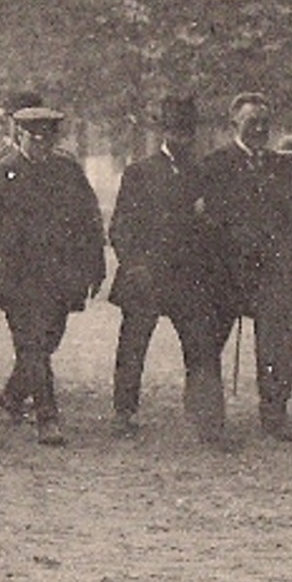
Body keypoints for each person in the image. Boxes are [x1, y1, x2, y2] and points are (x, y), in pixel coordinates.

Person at [106, 94, 234, 448]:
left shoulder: (202, 173)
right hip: (147, 274)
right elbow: (120, 228)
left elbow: (214, 227)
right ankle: (124, 412)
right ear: (164, 133)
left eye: (187, 133)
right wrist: (134, 265)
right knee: (133, 346)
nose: (181, 139)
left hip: (189, 279)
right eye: (175, 132)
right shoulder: (140, 173)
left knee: (202, 347)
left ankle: (207, 418)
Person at [0, 104, 105, 445]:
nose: (41, 145)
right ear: (19, 135)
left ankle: (13, 394)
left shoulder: (67, 170)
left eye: (47, 139)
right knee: (32, 344)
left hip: (60, 276)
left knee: (48, 341)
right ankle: (47, 417)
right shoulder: (0, 173)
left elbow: (89, 219)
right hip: (17, 277)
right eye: (34, 138)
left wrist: (95, 265)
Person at [196, 92, 292, 441]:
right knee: (207, 343)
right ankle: (208, 419)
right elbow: (205, 220)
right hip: (225, 270)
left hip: (268, 271)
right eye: (252, 122)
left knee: (276, 342)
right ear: (234, 124)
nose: (260, 129)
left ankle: (274, 414)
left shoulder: (281, 166)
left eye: (265, 123)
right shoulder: (215, 164)